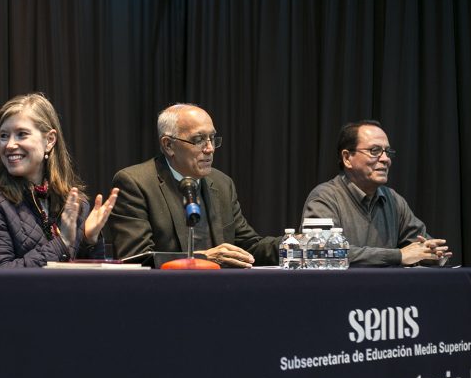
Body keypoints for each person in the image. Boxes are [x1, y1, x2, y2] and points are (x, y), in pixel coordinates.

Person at [108, 103, 279, 267]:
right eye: (199, 140)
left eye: (212, 138)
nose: (210, 148)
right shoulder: (135, 183)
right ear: (168, 145)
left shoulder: (222, 183)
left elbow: (248, 247)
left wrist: (297, 244)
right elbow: (136, 257)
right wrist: (203, 259)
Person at [0, 93, 119, 267]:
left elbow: (93, 282)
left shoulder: (74, 202)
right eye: (4, 135)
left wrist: (89, 240)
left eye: (21, 134)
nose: (9, 145)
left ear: (49, 140)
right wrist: (62, 243)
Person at [301, 120, 451, 266]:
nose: (386, 159)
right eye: (374, 151)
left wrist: (433, 254)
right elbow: (321, 252)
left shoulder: (393, 199)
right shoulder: (325, 197)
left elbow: (419, 245)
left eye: (387, 152)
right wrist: (398, 256)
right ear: (347, 158)